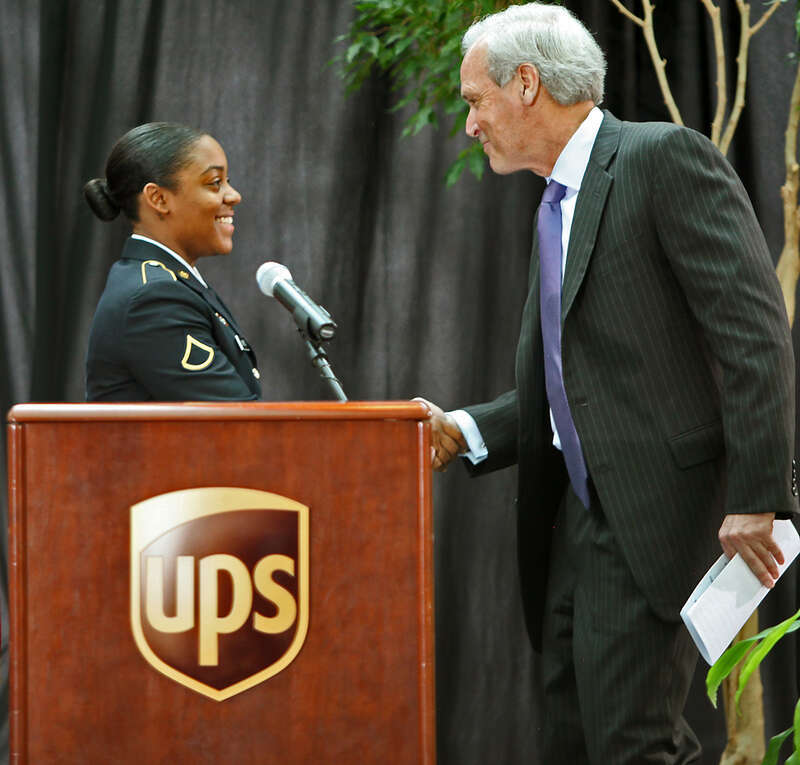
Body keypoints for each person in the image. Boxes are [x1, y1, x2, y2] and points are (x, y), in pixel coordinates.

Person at [421, 4, 798, 763]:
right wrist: (466, 429)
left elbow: (754, 335)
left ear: (526, 83)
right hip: (575, 520)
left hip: (654, 513)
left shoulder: (663, 159)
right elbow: (578, 383)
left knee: (633, 743)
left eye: (474, 101)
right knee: (572, 740)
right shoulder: (556, 200)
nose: (469, 124)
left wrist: (758, 495)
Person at [84, 122, 261, 401]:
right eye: (215, 183)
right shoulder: (154, 299)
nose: (233, 195)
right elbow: (236, 425)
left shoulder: (169, 283)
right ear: (158, 198)